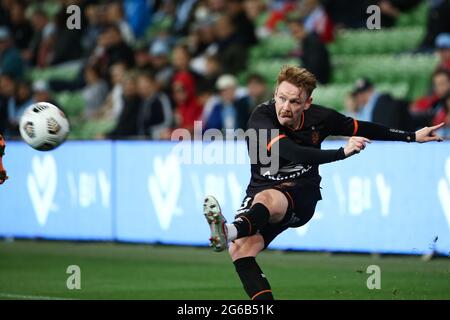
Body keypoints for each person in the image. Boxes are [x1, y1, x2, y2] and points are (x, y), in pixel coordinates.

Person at [203, 65, 444, 300]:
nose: (285, 107)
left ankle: (228, 230)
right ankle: (235, 242)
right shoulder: (261, 117)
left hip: (301, 195)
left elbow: (362, 127)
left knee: (267, 200)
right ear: (275, 94)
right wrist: (341, 152)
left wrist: (411, 136)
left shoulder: (321, 118)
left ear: (307, 103)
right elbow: (292, 152)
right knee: (241, 250)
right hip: (261, 189)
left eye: (294, 102)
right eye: (282, 98)